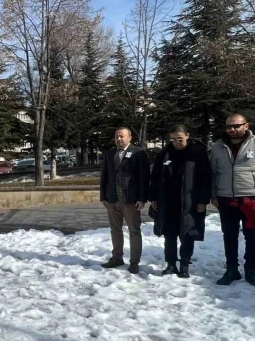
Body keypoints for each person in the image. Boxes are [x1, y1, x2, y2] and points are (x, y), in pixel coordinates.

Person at [149, 125, 211, 278]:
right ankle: (171, 264)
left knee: (187, 233)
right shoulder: (164, 153)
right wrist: (153, 198)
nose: (176, 142)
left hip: (190, 201)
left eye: (179, 139)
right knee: (169, 234)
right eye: (173, 139)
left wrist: (203, 200)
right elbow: (155, 176)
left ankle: (184, 264)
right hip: (167, 201)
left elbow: (205, 178)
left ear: (187, 136)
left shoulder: (197, 153)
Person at [210, 113, 255, 285]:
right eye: (229, 126)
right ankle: (231, 269)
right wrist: (213, 194)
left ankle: (251, 269)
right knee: (229, 235)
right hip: (226, 199)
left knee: (252, 236)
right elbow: (213, 173)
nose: (233, 130)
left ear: (246, 125)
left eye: (236, 126)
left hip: (250, 199)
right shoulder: (217, 147)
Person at [99, 127, 150, 274]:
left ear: (130, 137)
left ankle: (134, 262)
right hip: (112, 200)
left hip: (131, 200)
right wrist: (103, 196)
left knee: (134, 231)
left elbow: (144, 177)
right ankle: (117, 258)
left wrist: (142, 198)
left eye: (121, 136)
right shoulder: (109, 154)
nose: (119, 139)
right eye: (116, 137)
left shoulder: (139, 153)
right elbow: (105, 176)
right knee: (115, 230)